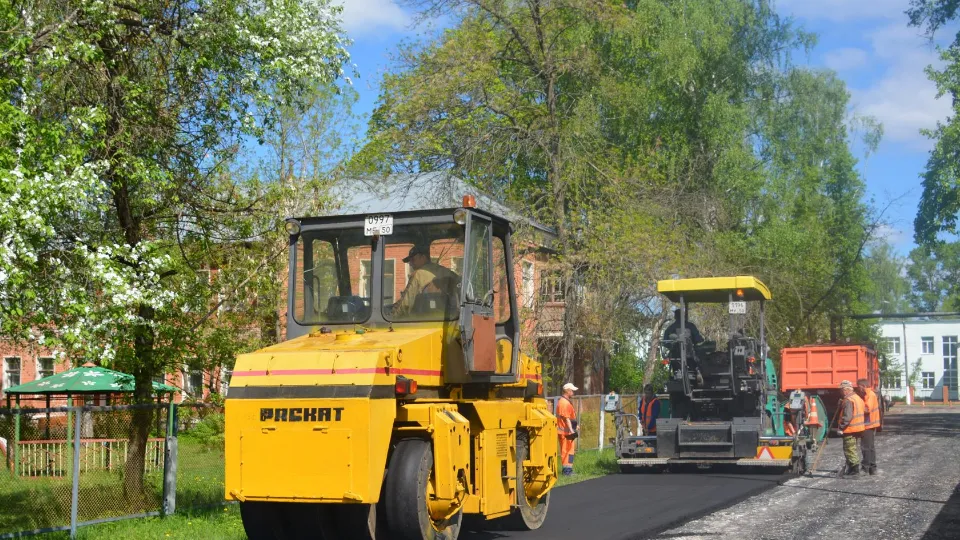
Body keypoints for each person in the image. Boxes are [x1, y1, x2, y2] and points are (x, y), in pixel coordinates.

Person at [392, 244, 460, 317]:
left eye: (413, 260)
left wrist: (392, 316)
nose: (411, 264)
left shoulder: (419, 274)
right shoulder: (443, 270)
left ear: (423, 257)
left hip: (427, 318)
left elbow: (405, 304)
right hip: (450, 317)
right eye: (410, 261)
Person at [837, 380, 866, 478]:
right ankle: (851, 470)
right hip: (858, 428)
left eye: (841, 390)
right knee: (852, 449)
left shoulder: (849, 400)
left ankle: (855, 471)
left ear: (846, 390)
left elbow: (847, 416)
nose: (840, 392)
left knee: (849, 450)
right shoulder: (857, 398)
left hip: (850, 429)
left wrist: (841, 427)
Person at [857, 378, 880, 475]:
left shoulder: (869, 395)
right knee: (870, 447)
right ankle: (872, 468)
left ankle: (865, 468)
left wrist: (857, 407)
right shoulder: (870, 394)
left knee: (866, 447)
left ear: (863, 386)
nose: (858, 389)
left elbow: (867, 409)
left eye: (859, 387)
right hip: (870, 424)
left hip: (868, 424)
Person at [556, 383, 579, 476]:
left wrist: (574, 427)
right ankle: (567, 471)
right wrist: (571, 430)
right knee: (566, 451)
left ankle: (569, 469)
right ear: (568, 391)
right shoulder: (564, 403)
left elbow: (569, 418)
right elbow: (566, 418)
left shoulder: (564, 401)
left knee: (569, 451)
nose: (573, 392)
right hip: (566, 433)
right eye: (572, 390)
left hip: (567, 431)